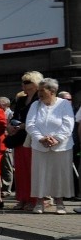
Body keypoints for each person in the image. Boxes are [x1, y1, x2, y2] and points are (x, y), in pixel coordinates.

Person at [26, 78, 75, 214]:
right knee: (39, 174)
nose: (39, 93)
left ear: (52, 91)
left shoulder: (64, 104)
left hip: (61, 146)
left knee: (59, 174)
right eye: (39, 90)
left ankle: (60, 203)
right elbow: (30, 124)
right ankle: (40, 202)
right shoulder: (35, 105)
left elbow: (68, 124)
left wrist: (56, 139)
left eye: (42, 90)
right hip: (39, 145)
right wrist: (41, 138)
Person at [7, 71, 41, 211]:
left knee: (31, 170)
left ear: (36, 84)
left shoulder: (39, 100)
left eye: (27, 82)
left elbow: (39, 120)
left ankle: (34, 200)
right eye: (23, 82)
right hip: (19, 138)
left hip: (32, 138)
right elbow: (15, 115)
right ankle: (22, 198)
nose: (24, 85)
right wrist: (10, 126)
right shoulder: (21, 100)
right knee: (20, 171)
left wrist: (22, 126)